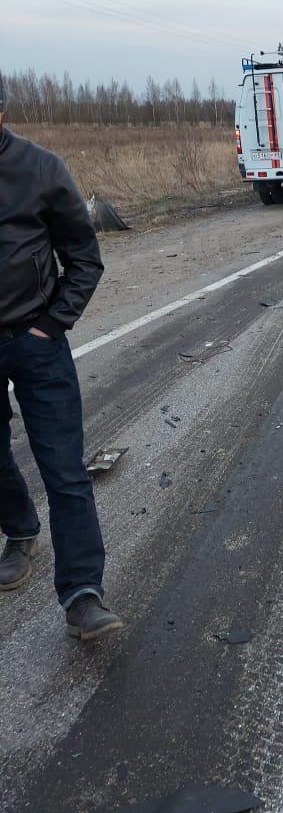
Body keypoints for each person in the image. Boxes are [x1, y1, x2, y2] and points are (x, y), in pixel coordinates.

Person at [0, 72, 123, 641]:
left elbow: (84, 256)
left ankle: (82, 595)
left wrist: (52, 324)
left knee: (65, 471)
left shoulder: (41, 169)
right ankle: (21, 530)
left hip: (35, 343)